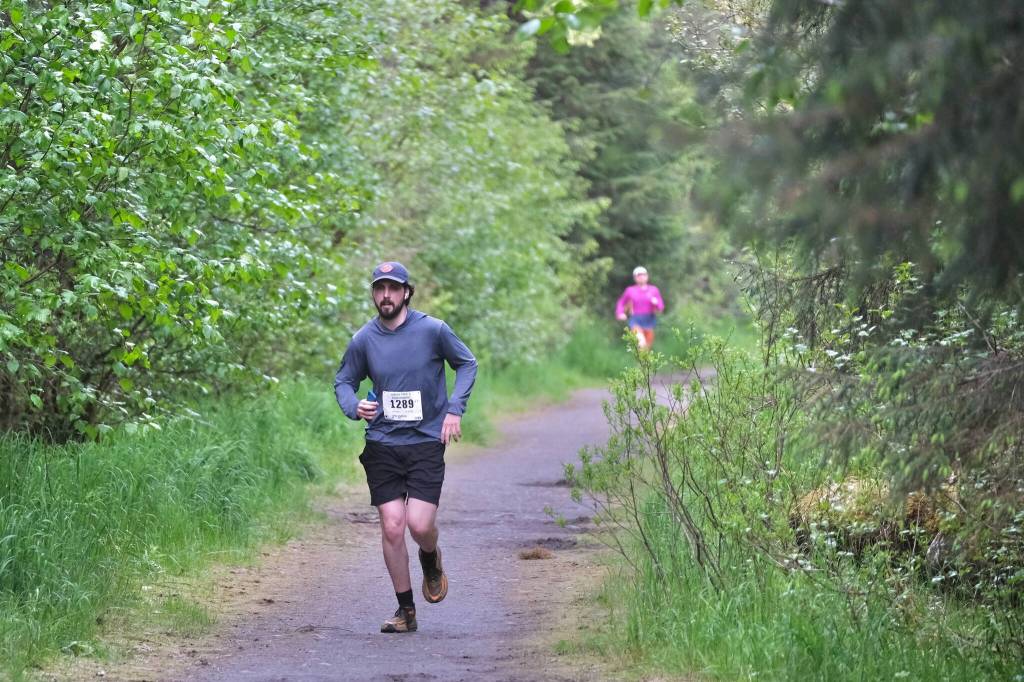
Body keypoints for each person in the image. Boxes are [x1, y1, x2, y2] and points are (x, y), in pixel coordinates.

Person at [334, 261, 477, 634]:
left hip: (426, 441)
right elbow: (344, 382)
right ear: (373, 294)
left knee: (419, 525)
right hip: (382, 443)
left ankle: (430, 557)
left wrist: (454, 410)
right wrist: (354, 407)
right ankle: (405, 609)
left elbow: (467, 364)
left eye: (393, 289)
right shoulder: (364, 339)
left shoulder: (433, 330)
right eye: (379, 289)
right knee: (393, 527)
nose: (386, 295)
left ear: (406, 292)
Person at [615, 265, 665, 350]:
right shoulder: (630, 290)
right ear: (635, 278)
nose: (641, 277)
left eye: (643, 274)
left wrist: (656, 303)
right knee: (641, 342)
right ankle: (641, 358)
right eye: (638, 275)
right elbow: (621, 302)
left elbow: (661, 307)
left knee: (646, 349)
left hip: (649, 320)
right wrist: (620, 313)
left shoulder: (653, 290)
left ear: (647, 276)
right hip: (636, 320)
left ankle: (641, 363)